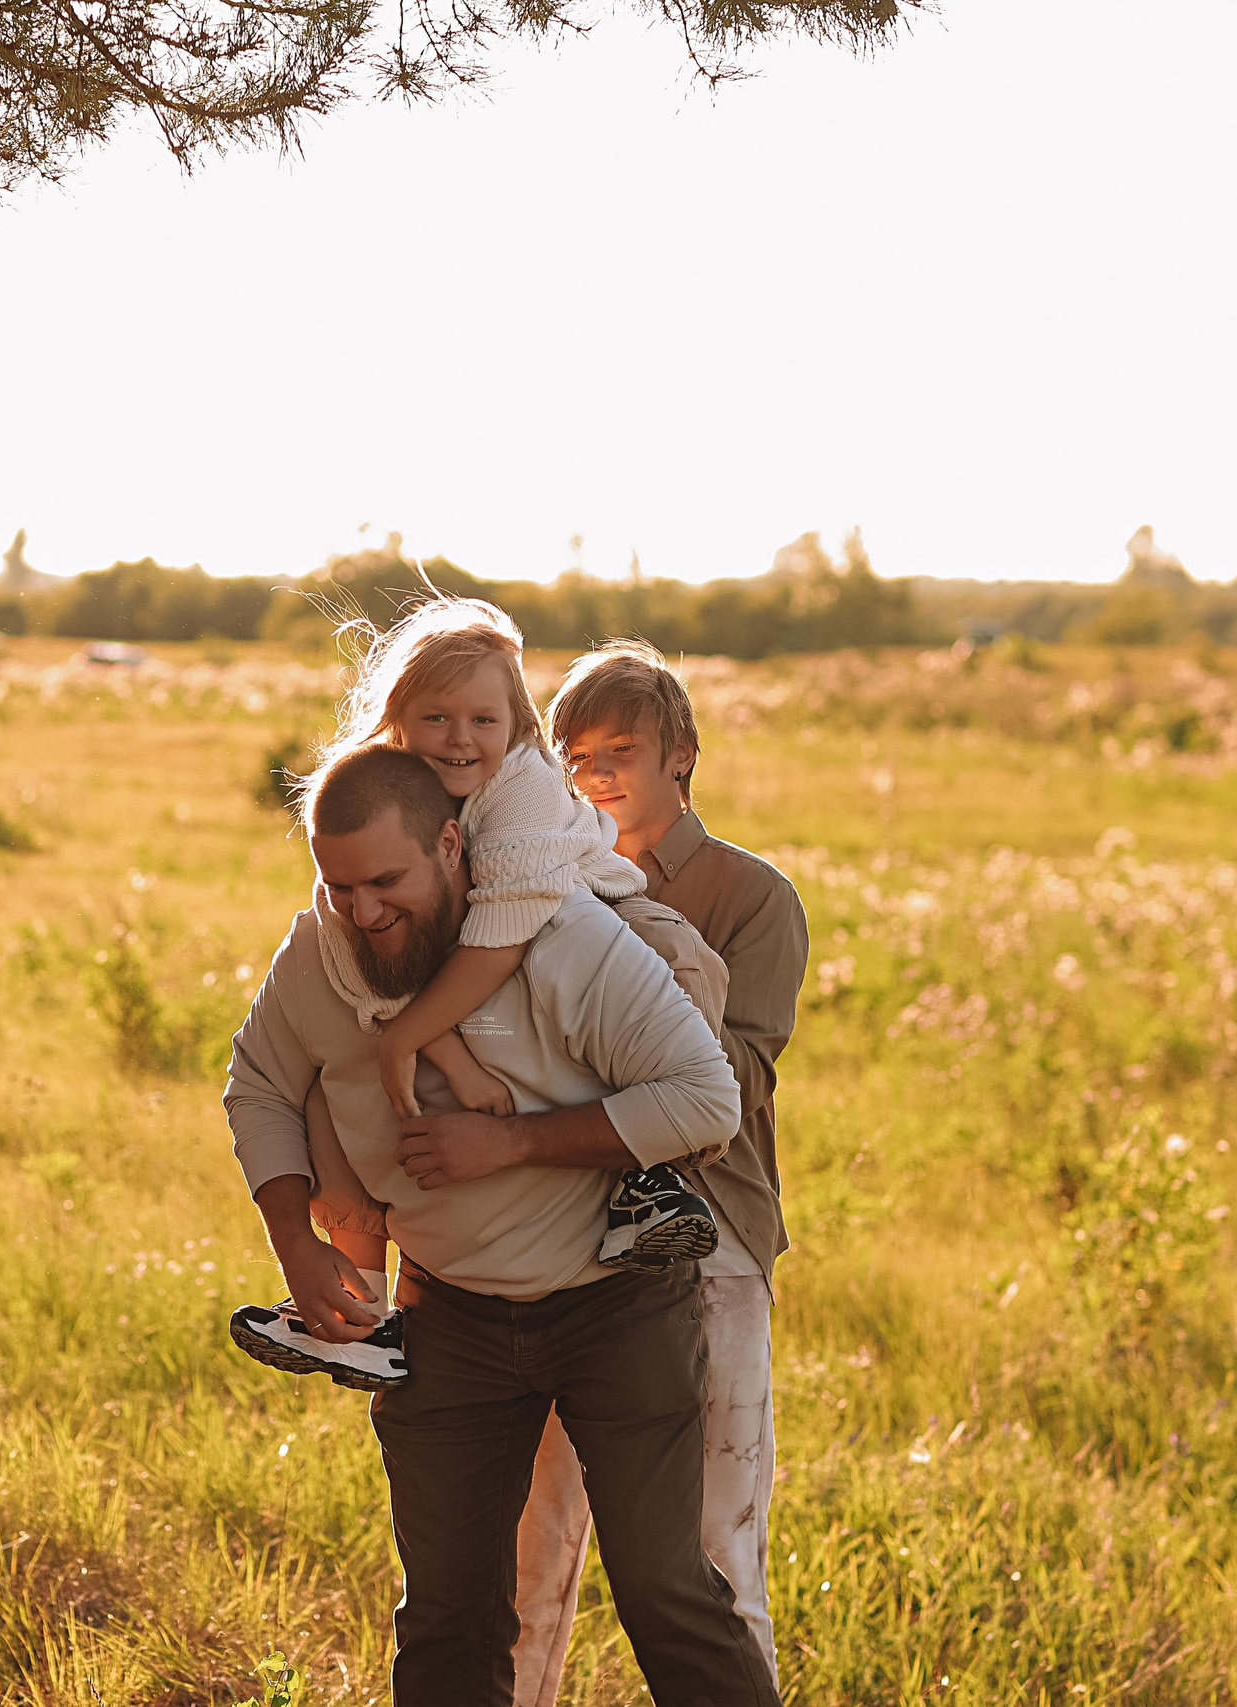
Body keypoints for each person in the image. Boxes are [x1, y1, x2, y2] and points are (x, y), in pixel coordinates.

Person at [223, 743, 779, 1707]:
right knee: (448, 1615)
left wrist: (512, 1145)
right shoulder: (318, 951)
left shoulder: (564, 938)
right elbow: (260, 1082)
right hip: (448, 1318)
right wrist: (296, 1243)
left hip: (619, 1309)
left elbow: (705, 1098)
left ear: (451, 844)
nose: (363, 911)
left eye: (386, 880)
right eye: (339, 884)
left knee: (664, 1591)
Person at [227, 597, 718, 1389]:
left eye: (483, 720)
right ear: (399, 722)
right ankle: (359, 1304)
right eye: (436, 718)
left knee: (682, 978)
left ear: (515, 724)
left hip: (591, 900)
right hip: (475, 949)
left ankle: (651, 1185)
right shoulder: (400, 804)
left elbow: (493, 942)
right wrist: (426, 1043)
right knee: (326, 1082)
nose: (460, 737)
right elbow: (381, 983)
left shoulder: (519, 794)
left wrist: (409, 1041)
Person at [508, 639, 810, 1701]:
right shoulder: (532, 884)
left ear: (681, 754)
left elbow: (726, 1092)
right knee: (528, 1553)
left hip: (711, 1243)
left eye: (621, 749)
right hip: (551, 1236)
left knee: (714, 1546)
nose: (594, 774)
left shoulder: (749, 895)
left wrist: (631, 956)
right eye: (573, 754)